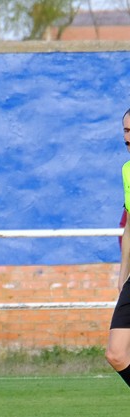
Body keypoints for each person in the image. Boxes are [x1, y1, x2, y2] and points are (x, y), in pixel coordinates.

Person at [104, 107, 130, 386]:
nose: (127, 138)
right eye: (125, 130)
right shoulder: (127, 171)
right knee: (117, 354)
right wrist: (123, 273)